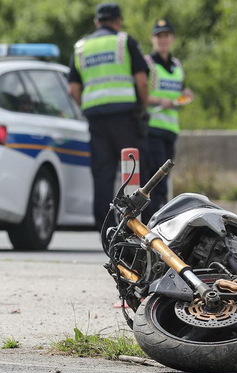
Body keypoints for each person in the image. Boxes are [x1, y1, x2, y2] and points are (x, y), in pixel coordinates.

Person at [68, 3, 149, 231]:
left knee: (102, 175)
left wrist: (88, 106)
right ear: (117, 21)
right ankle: (134, 226)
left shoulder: (81, 47)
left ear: (96, 22)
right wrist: (142, 108)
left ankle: (104, 229)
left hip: (96, 119)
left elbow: (73, 89)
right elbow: (142, 81)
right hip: (125, 116)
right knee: (130, 172)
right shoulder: (124, 42)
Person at [144, 19, 193, 217]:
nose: (162, 40)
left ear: (172, 38)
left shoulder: (177, 65)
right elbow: (140, 96)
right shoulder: (148, 64)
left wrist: (186, 95)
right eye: (159, 36)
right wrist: (159, 100)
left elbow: (179, 92)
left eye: (166, 36)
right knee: (157, 179)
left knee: (164, 178)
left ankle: (158, 219)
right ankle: (153, 220)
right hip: (152, 127)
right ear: (152, 39)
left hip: (170, 129)